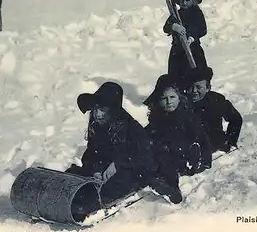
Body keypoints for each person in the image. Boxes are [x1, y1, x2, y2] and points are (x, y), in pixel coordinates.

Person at [66, 82, 182, 216]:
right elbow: (92, 153)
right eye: (95, 109)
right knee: (73, 177)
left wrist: (118, 164)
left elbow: (144, 158)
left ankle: (85, 205)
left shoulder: (131, 129)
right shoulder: (97, 125)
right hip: (103, 172)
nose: (97, 114)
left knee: (106, 192)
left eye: (102, 109)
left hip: (131, 171)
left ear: (112, 110)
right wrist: (96, 169)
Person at [143, 74, 213, 183]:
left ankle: (170, 185)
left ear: (179, 98)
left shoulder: (187, 116)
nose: (169, 102)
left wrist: (206, 161)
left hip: (184, 155)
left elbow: (203, 139)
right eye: (164, 99)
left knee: (165, 153)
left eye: (172, 97)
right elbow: (149, 134)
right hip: (165, 154)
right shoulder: (157, 117)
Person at [186, 66, 243, 153]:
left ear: (208, 88)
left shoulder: (216, 100)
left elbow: (235, 119)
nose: (194, 91)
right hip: (193, 152)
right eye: (191, 87)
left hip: (217, 149)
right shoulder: (183, 104)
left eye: (198, 87)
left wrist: (231, 141)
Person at [163, 0, 208, 89]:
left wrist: (191, 37)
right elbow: (166, 27)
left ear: (193, 1)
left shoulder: (196, 13)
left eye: (187, 0)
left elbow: (202, 29)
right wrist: (173, 26)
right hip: (177, 50)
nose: (184, 3)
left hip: (192, 49)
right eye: (182, 0)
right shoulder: (176, 14)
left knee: (194, 74)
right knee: (176, 76)